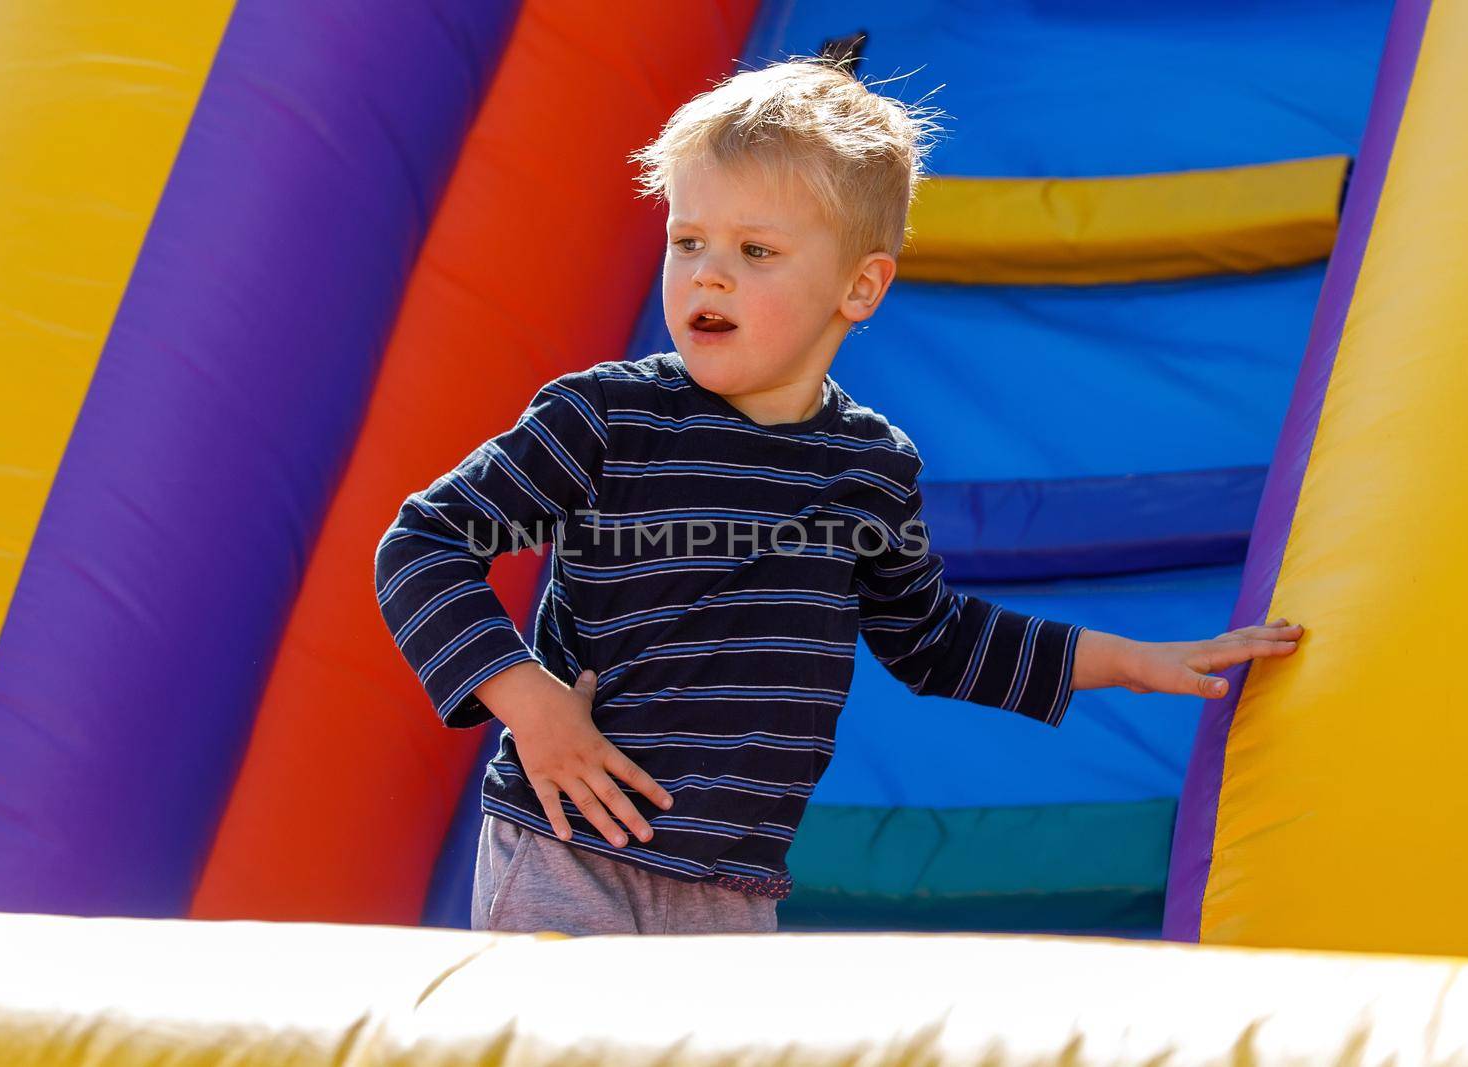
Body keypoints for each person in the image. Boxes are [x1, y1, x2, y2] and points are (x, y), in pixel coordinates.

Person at [374, 57, 1303, 937]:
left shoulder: (868, 465)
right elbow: (422, 545)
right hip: (567, 842)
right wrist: (528, 701)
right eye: (687, 240)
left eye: (756, 250)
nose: (709, 272)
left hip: (732, 884)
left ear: (859, 286)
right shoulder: (610, 417)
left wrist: (1139, 662)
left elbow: (938, 641)